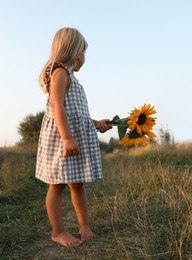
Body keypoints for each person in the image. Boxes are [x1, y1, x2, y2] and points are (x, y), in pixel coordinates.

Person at [36, 27, 112, 247]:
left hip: (72, 138)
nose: (84, 59)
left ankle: (84, 226)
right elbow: (57, 106)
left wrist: (96, 123)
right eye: (83, 53)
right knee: (56, 185)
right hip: (62, 140)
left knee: (77, 184)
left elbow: (76, 113)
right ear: (74, 52)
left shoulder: (71, 77)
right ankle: (57, 232)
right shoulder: (59, 72)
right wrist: (67, 138)